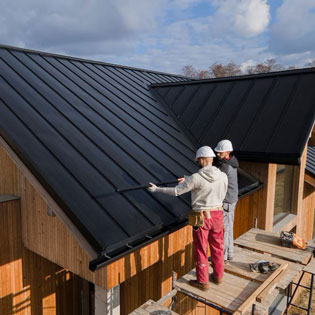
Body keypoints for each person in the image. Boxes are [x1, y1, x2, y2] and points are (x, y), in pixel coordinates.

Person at [147, 146, 227, 290]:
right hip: (218, 215)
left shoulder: (196, 178)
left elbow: (177, 191)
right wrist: (188, 180)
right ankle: (218, 276)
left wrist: (156, 189)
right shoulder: (223, 176)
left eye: (198, 160)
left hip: (202, 217)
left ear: (201, 159)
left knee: (201, 249)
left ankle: (202, 282)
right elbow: (214, 188)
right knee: (217, 247)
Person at [214, 140, 239, 261]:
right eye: (217, 152)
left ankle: (222, 257)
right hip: (231, 199)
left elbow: (213, 179)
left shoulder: (225, 166)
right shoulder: (232, 162)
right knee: (229, 227)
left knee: (225, 229)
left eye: (220, 152)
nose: (217, 154)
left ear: (227, 152)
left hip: (227, 201)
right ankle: (229, 253)